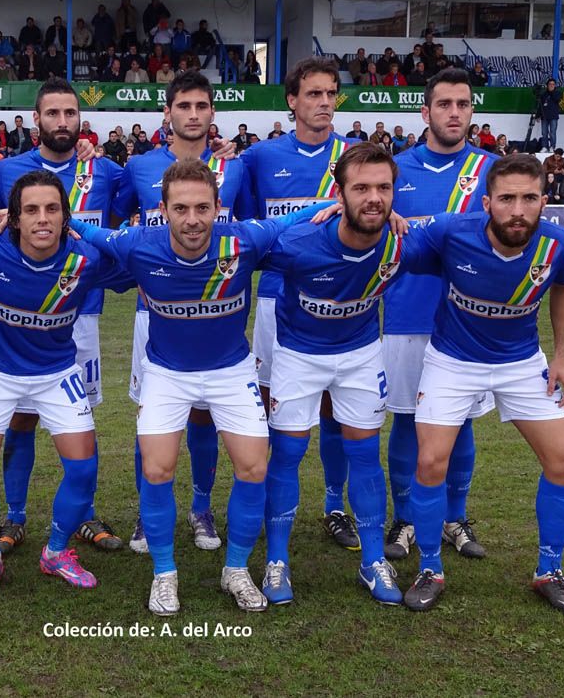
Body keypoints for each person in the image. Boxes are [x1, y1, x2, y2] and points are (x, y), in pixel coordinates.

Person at [73, 159, 330, 613]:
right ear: (163, 209)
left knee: (253, 468)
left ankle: (235, 570)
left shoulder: (243, 240)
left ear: (218, 208)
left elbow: (294, 218)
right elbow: (77, 228)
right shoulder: (138, 245)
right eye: (181, 209)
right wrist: (12, 215)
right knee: (157, 470)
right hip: (166, 374)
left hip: (231, 371)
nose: (192, 220)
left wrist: (345, 204)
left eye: (202, 208)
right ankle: (165, 573)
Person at [400, 154, 564, 616]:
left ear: (545, 200)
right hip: (452, 361)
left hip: (522, 363)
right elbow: (396, 246)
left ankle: (549, 570)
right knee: (429, 462)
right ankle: (429, 567)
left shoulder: (560, 245)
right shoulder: (450, 233)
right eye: (506, 199)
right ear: (487, 202)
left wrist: (561, 357)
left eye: (528, 198)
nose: (517, 209)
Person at [0, 171, 132, 601]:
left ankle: (56, 551)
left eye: (52, 209)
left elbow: (138, 260)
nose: (42, 219)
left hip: (57, 373)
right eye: (30, 210)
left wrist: (93, 231)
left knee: (84, 469)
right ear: (13, 218)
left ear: (67, 217)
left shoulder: (86, 258)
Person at [262, 142, 426, 606]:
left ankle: (373, 559)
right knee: (288, 453)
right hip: (298, 356)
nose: (373, 198)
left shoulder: (402, 240)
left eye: (383, 188)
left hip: (360, 355)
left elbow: (464, 237)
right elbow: (244, 241)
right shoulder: (299, 243)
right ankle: (277, 559)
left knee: (365, 455)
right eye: (361, 188)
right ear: (341, 193)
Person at [0, 78, 124, 554]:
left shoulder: (104, 172)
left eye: (70, 114)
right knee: (20, 421)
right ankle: (15, 518)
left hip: (80, 316)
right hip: (20, 317)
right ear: (36, 118)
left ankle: (83, 514)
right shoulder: (7, 173)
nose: (62, 122)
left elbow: (121, 229)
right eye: (53, 114)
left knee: (82, 421)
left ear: (81, 120)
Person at [113, 70, 252, 554]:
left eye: (201, 106)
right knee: (152, 416)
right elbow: (116, 227)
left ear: (212, 113)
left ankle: (200, 507)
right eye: (183, 106)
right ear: (167, 113)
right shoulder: (138, 167)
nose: (193, 115)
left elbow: (250, 231)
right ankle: (145, 513)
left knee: (206, 418)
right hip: (155, 311)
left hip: (215, 310)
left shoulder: (236, 167)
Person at [239, 57, 364, 567]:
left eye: (331, 93)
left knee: (338, 408)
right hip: (276, 297)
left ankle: (335, 507)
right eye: (313, 94)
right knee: (277, 409)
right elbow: (249, 229)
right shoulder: (260, 158)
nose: (324, 103)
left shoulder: (355, 157)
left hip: (343, 298)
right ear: (292, 101)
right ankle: (275, 505)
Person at [382, 68, 499, 563]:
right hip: (405, 316)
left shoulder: (493, 171)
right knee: (408, 420)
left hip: (470, 323)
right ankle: (406, 519)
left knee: (463, 423)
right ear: (425, 112)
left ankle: (454, 517)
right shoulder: (394, 169)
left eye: (464, 104)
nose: (455, 112)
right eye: (445, 104)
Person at [539, 78, 560, 153]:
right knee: (544, 132)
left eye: (553, 84)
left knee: (552, 132)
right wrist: (538, 115)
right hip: (544, 116)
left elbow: (557, 99)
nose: (551, 86)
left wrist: (552, 92)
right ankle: (545, 146)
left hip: (553, 116)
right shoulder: (543, 94)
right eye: (550, 84)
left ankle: (552, 146)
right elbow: (540, 105)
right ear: (547, 85)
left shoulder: (557, 93)